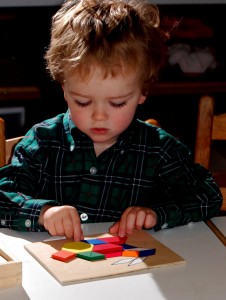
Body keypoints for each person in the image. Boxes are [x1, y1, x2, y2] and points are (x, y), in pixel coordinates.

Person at [0, 0, 222, 241]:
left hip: (131, 272)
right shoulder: (44, 142)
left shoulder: (159, 149)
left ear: (142, 92)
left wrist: (156, 214)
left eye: (117, 103)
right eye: (83, 102)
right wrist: (44, 212)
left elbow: (207, 196)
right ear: (64, 88)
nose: (99, 116)